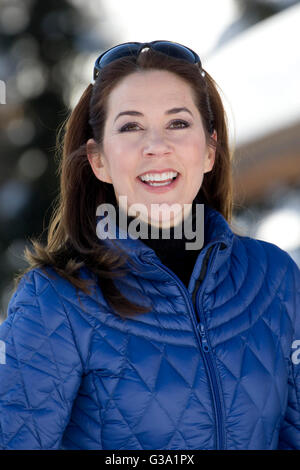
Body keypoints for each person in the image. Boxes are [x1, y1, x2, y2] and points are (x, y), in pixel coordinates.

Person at [0, 40, 299, 451]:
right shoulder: (53, 302)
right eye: (130, 126)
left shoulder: (276, 277)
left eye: (178, 123)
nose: (156, 146)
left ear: (210, 150)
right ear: (97, 159)